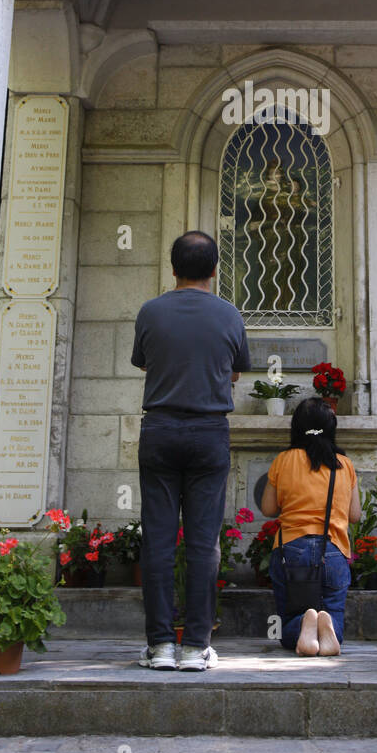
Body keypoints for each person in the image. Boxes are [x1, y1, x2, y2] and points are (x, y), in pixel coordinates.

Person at [132, 230, 251, 672]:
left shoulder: (150, 311)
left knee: (159, 541)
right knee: (204, 544)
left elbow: (145, 362)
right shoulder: (229, 315)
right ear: (216, 269)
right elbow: (236, 372)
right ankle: (196, 645)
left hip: (160, 428)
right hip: (208, 432)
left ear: (173, 267)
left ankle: (160, 645)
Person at [261, 396, 361, 657]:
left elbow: (268, 509)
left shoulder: (283, 460)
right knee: (334, 613)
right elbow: (355, 515)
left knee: (288, 622)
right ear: (331, 427)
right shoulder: (344, 464)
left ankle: (303, 624)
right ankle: (326, 628)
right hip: (334, 549)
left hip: (291, 548)